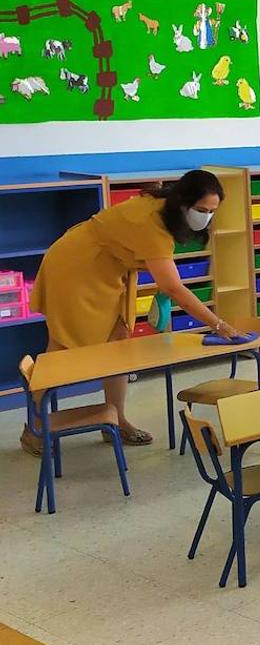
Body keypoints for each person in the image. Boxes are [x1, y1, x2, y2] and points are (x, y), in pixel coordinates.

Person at [20, 170, 242, 455]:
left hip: (109, 269)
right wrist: (219, 324)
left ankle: (116, 420)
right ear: (183, 201)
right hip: (75, 267)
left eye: (212, 211)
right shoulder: (152, 223)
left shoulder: (167, 208)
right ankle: (35, 429)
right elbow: (175, 290)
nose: (206, 217)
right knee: (62, 346)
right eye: (201, 210)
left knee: (119, 340)